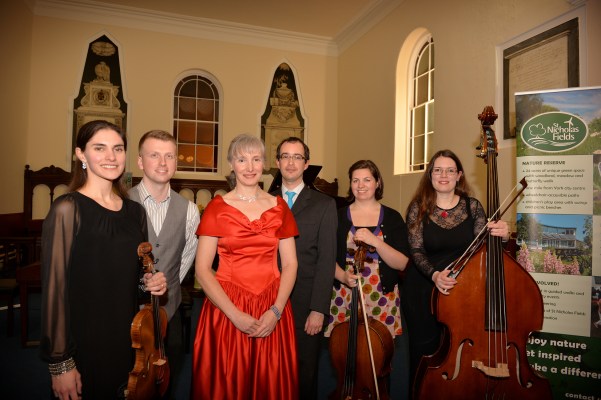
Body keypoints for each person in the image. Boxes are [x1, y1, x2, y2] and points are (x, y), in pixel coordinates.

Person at [40, 120, 167, 400]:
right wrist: (60, 363)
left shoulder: (135, 212)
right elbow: (53, 291)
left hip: (128, 338)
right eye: (100, 148)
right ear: (81, 154)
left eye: (118, 149)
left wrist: (149, 282)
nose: (111, 156)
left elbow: (134, 280)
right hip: (85, 339)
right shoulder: (67, 209)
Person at [191, 133, 299, 400]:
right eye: (242, 160)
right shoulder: (216, 208)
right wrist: (234, 314)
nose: (250, 167)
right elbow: (202, 269)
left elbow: (290, 264)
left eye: (256, 159)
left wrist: (276, 311)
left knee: (269, 383)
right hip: (227, 306)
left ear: (264, 164)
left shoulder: (279, 207)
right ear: (231, 164)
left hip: (271, 305)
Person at [402, 149, 509, 389]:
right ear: (430, 175)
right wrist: (435, 275)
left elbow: (483, 248)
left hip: (462, 290)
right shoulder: (418, 207)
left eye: (450, 170)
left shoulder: (473, 207)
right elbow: (416, 250)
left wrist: (502, 237)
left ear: (459, 175)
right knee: (425, 353)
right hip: (423, 288)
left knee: (458, 350)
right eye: (438, 170)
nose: (444, 175)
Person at [324, 159, 410, 398]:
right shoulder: (337, 216)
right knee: (345, 357)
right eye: (355, 180)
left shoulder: (392, 217)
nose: (360, 185)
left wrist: (375, 242)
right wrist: (342, 275)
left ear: (377, 182)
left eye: (367, 180)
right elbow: (325, 257)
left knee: (379, 356)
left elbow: (402, 263)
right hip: (345, 294)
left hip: (381, 296)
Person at [128, 130, 200, 398]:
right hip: (126, 315)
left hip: (168, 314)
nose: (162, 162)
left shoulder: (189, 210)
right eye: (154, 155)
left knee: (165, 382)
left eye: (169, 156)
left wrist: (166, 288)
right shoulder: (121, 204)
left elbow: (185, 259)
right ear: (140, 161)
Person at [271, 137, 337, 400]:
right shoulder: (264, 201)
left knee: (303, 374)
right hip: (266, 299)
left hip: (305, 302)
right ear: (277, 162)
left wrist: (318, 309)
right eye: (285, 156)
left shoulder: (324, 205)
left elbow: (326, 260)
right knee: (269, 371)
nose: (291, 162)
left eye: (297, 157)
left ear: (306, 164)